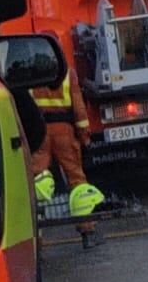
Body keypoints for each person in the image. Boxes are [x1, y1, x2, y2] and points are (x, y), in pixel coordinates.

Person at [29, 72, 102, 217]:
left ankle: (36, 222)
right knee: (76, 178)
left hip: (39, 131)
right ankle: (86, 223)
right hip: (64, 132)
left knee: (36, 177)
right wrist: (84, 136)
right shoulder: (68, 73)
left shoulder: (29, 73)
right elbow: (79, 109)